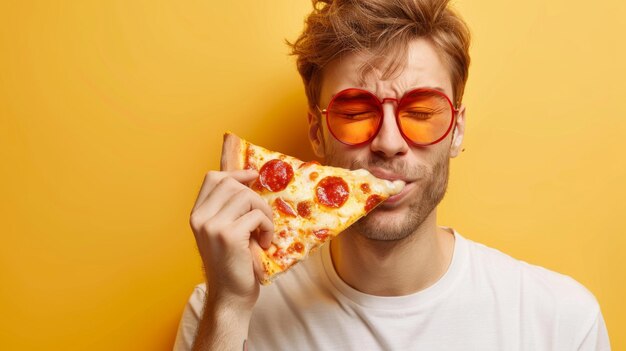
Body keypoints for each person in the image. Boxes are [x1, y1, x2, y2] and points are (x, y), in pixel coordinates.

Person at [174, 0, 611, 350]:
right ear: (317, 131)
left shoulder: (560, 322)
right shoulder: (223, 311)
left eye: (421, 112)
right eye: (355, 112)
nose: (387, 141)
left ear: (456, 131)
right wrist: (229, 308)